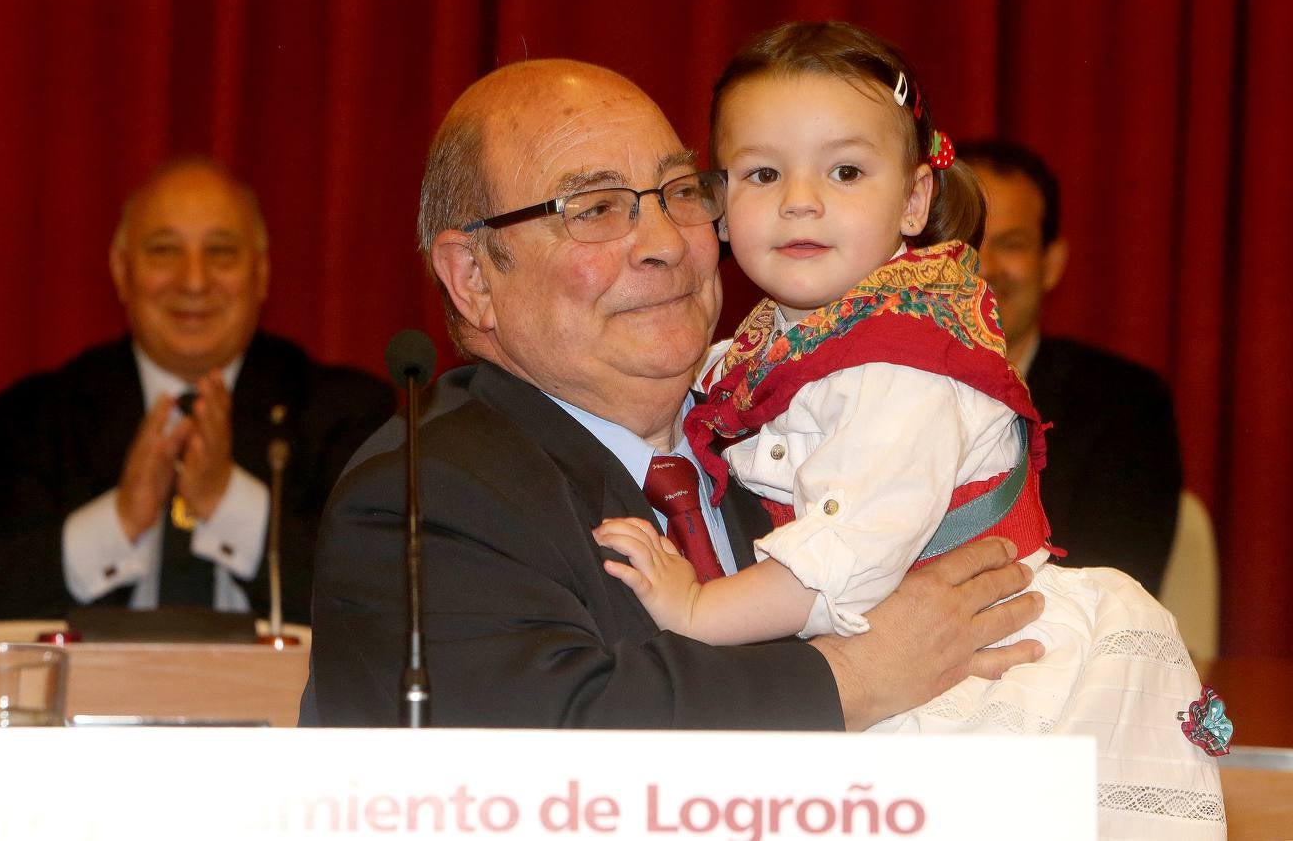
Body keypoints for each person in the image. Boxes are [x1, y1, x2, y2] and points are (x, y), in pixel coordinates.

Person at [593, 23, 1224, 839]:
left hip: (968, 685)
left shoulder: (896, 366)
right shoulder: (774, 341)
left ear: (916, 199)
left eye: (847, 170)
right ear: (717, 201)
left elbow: (840, 564)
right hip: (881, 658)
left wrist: (694, 609)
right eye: (762, 173)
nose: (800, 200)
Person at [301, 57, 1047, 732]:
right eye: (594, 208)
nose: (666, 242)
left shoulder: (785, 419)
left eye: (680, 193)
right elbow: (540, 748)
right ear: (474, 277)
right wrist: (853, 677)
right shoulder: (423, 498)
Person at [0, 158, 395, 625]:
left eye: (222, 252)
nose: (193, 281)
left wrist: (227, 502)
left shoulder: (347, 413)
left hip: (278, 698)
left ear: (262, 274)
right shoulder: (38, 415)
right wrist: (119, 520)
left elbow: (378, 599)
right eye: (164, 251)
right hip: (91, 698)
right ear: (121, 270)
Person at [957, 139, 1182, 595]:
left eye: (1012, 244)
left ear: (1052, 263)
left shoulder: (1127, 403)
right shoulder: (868, 383)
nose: (985, 267)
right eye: (966, 242)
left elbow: (1115, 588)